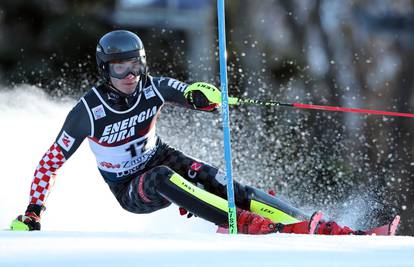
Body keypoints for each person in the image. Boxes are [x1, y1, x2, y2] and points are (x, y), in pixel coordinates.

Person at [11, 30, 360, 235]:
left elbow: (188, 93)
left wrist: (204, 98)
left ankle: (310, 224)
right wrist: (34, 210)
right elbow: (50, 162)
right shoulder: (87, 112)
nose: (130, 75)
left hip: (161, 155)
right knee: (163, 177)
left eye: (135, 65)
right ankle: (242, 223)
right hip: (130, 186)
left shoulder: (152, 86)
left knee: (225, 182)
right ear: (106, 70)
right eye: (120, 68)